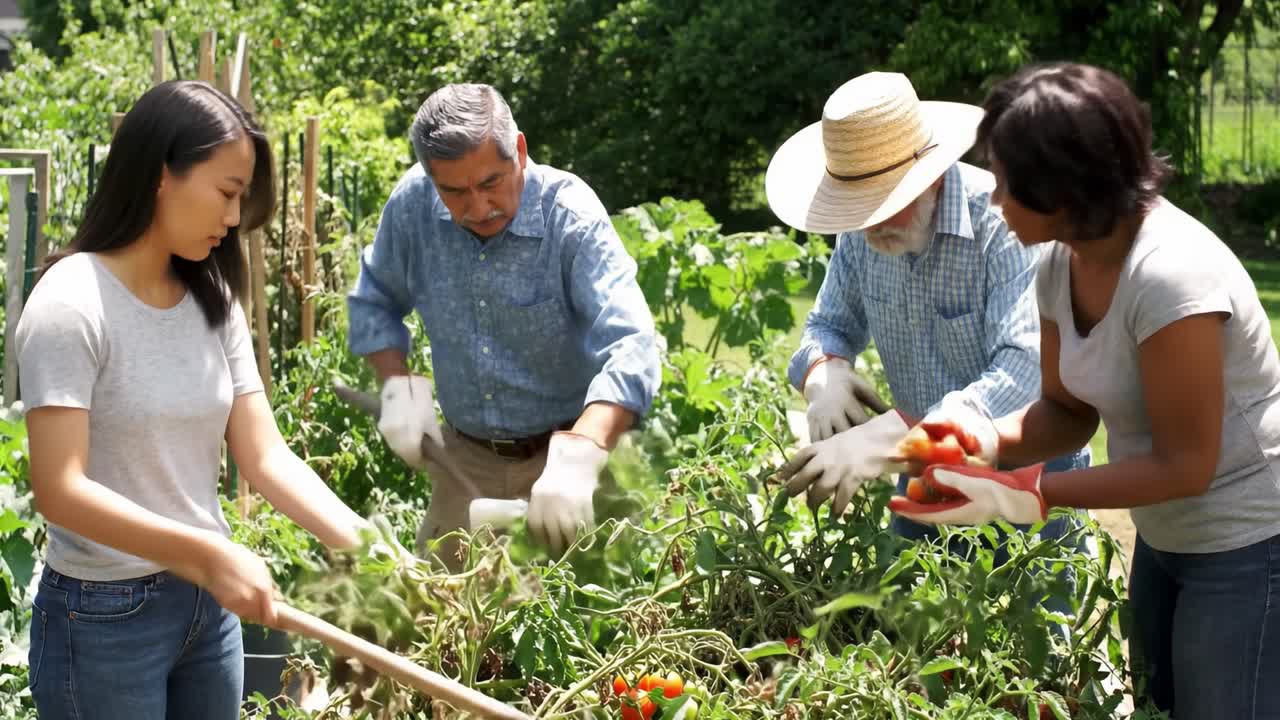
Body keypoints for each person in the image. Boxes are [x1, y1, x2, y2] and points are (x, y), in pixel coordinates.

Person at [889, 62, 1280, 718]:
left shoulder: (1170, 278)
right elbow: (1067, 411)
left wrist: (1028, 494)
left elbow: (1187, 465)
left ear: (1063, 192)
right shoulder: (1058, 261)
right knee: (1159, 706)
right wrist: (982, 440)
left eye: (1009, 183)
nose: (993, 199)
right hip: (1168, 537)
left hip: (1248, 543)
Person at [16, 80, 370, 719]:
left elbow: (265, 458)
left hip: (206, 616)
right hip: (103, 619)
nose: (234, 219)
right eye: (228, 193)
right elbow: (58, 488)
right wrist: (209, 553)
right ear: (160, 175)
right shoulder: (71, 303)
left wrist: (369, 549)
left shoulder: (213, 298)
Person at [766, 71, 1089, 565]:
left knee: (1041, 628)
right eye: (857, 209)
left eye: (883, 206)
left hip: (1025, 473)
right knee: (912, 629)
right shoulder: (860, 233)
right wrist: (824, 376)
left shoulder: (1005, 223)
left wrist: (883, 440)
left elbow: (1025, 373)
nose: (869, 225)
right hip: (919, 475)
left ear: (932, 178)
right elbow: (828, 325)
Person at [346, 83, 660, 561]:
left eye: (491, 182)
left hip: (566, 463)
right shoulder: (413, 206)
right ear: (431, 178)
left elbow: (633, 344)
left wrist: (582, 450)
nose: (476, 207)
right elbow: (373, 299)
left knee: (594, 617)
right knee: (443, 620)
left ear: (519, 151)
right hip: (465, 463)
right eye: (454, 191)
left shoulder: (569, 216)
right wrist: (396, 383)